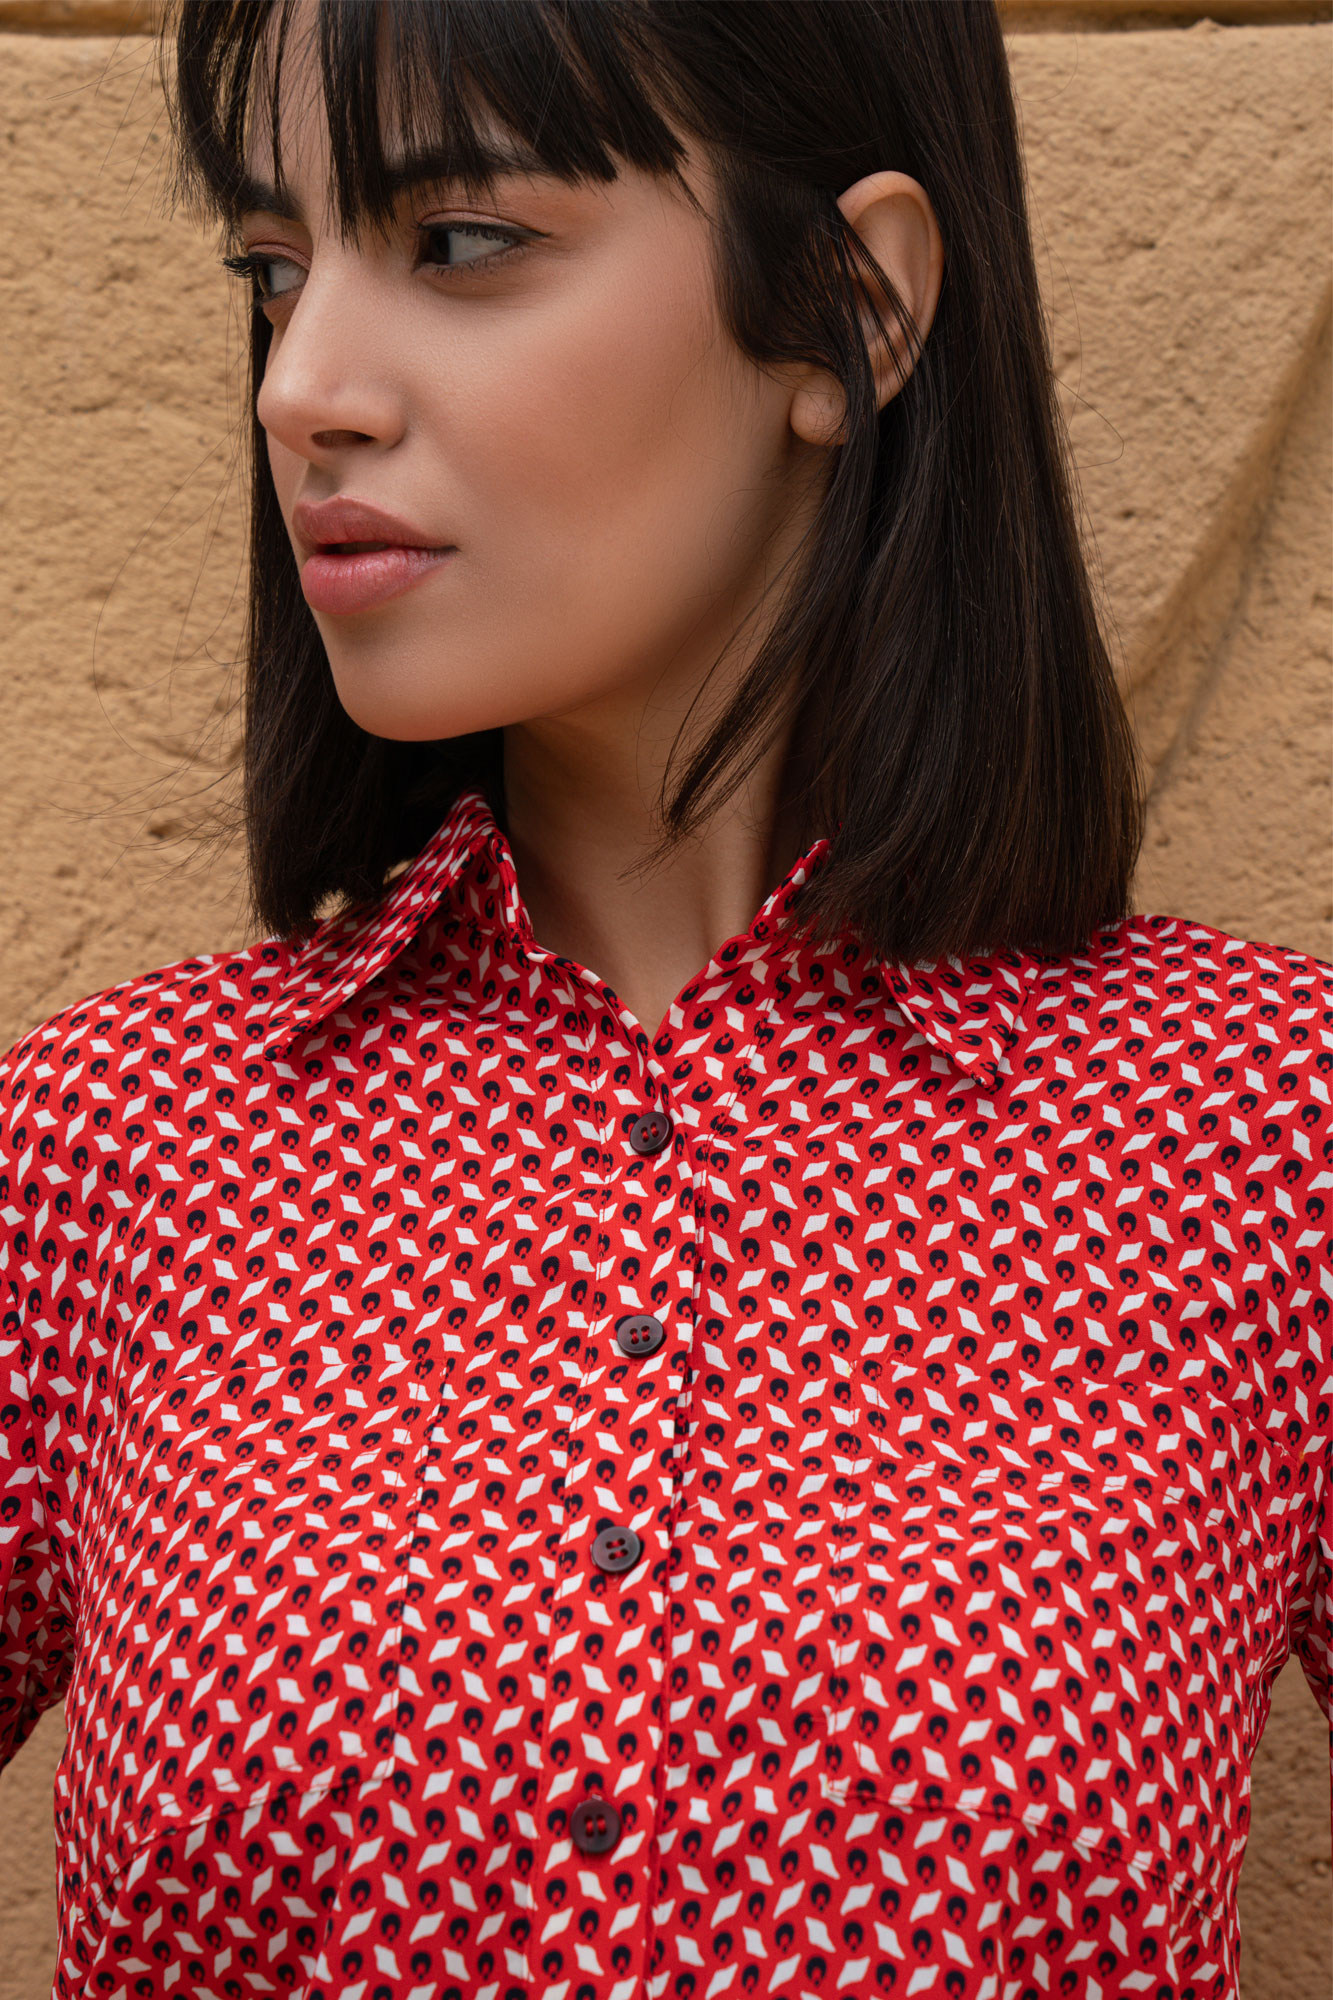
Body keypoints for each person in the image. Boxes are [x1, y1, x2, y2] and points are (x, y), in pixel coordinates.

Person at [0, 1, 1327, 1996]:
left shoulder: (1263, 1131)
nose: (304, 386)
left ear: (847, 308)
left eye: (457, 245)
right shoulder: (104, 1153)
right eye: (273, 271)